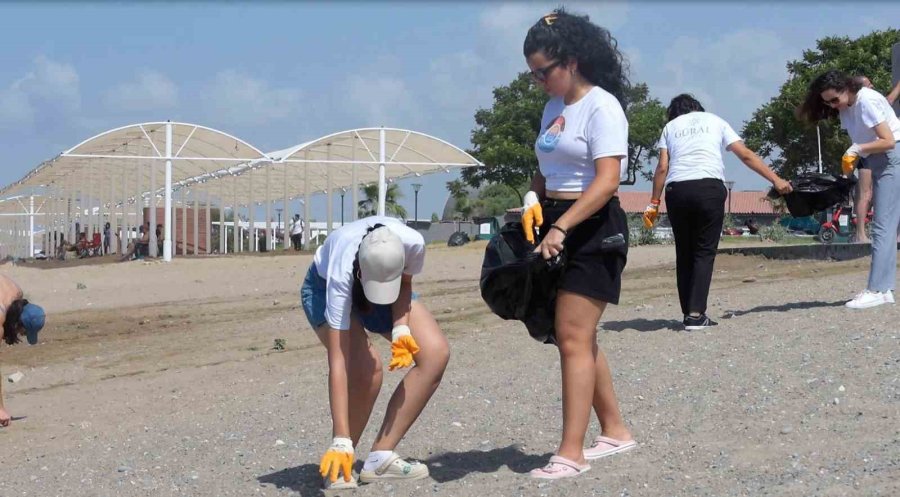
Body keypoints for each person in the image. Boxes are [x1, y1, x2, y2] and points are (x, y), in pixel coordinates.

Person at [522, 9, 636, 479]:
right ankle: (615, 430)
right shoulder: (553, 107)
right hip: (554, 220)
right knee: (576, 335)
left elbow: (607, 181)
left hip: (592, 227)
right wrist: (532, 198)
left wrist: (562, 226)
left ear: (571, 61)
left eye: (543, 72)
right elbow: (547, 168)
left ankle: (571, 453)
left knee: (571, 336)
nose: (538, 82)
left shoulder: (602, 106)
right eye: (532, 74)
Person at [300, 215, 449, 489]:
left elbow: (404, 284)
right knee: (367, 370)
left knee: (435, 353)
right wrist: (340, 438)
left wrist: (401, 329)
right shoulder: (341, 270)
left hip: (388, 281)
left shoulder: (413, 243)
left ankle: (381, 458)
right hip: (324, 287)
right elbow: (338, 361)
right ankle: (340, 459)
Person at [644, 94, 792, 329]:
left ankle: (688, 313)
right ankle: (696, 315)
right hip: (709, 188)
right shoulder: (715, 120)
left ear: (674, 113)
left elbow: (662, 167)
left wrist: (653, 202)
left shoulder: (670, 127)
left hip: (677, 190)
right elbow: (745, 155)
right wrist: (776, 179)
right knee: (704, 251)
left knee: (684, 252)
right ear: (698, 108)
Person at [799, 70, 900, 308]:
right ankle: (884, 289)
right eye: (828, 102)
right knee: (885, 226)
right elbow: (861, 142)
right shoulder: (847, 107)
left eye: (835, 99)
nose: (833, 105)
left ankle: (876, 289)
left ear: (846, 87)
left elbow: (888, 141)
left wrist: (857, 149)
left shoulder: (867, 100)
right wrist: (846, 173)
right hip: (876, 160)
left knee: (883, 226)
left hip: (891, 157)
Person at [850, 76, 900, 243]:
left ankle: (890, 233)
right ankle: (860, 233)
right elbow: (890, 99)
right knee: (865, 193)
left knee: (879, 192)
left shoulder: (871, 101)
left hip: (875, 150)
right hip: (870, 152)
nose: (872, 86)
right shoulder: (865, 102)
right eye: (869, 85)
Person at [0, 274, 45, 426]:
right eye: (22, 332)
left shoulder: (16, 291)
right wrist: (0, 409)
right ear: (16, 324)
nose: (19, 335)